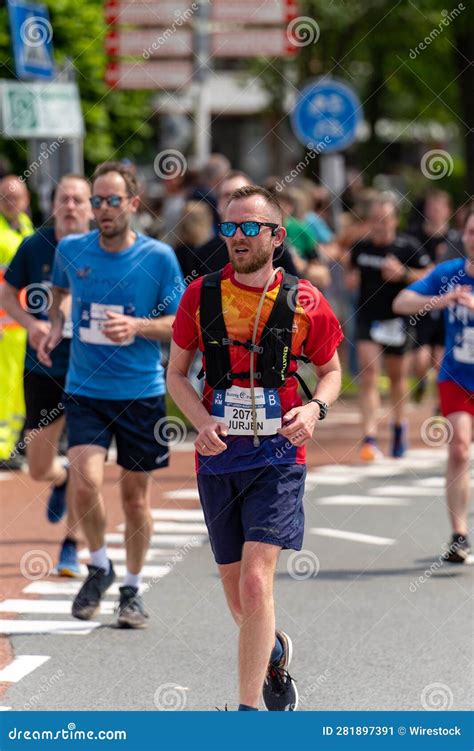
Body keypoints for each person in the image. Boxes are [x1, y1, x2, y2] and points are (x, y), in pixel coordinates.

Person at [167, 185, 343, 711]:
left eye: (249, 228)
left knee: (253, 580)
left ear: (277, 237)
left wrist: (314, 410)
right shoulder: (199, 295)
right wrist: (199, 421)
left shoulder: (306, 300)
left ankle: (246, 714)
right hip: (218, 455)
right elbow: (176, 374)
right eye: (229, 228)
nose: (237, 237)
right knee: (235, 591)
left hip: (278, 456)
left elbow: (331, 372)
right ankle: (272, 652)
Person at [37, 161, 183, 627]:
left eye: (111, 201)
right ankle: (99, 565)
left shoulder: (158, 258)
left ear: (133, 205)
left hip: (140, 392)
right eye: (97, 201)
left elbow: (181, 325)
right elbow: (60, 292)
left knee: (136, 499)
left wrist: (137, 325)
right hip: (86, 389)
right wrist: (55, 326)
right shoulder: (72, 247)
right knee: (84, 480)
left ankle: (132, 590)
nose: (102, 209)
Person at [1, 175, 93, 575]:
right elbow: (6, 292)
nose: (70, 206)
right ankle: (59, 481)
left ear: (91, 208)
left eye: (78, 200)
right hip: (44, 368)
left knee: (86, 460)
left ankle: (71, 547)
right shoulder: (35, 244)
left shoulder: (104, 248)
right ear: (52, 203)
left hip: (93, 370)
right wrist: (28, 322)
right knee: (38, 466)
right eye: (63, 198)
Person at [393, 211, 474, 563]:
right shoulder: (448, 273)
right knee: (458, 449)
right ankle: (459, 535)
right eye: (471, 232)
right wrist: (439, 301)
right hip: (457, 375)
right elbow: (401, 302)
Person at [347, 194, 431, 461]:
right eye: (374, 220)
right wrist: (350, 278)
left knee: (396, 378)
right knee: (369, 374)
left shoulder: (408, 247)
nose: (379, 225)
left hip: (397, 319)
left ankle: (398, 426)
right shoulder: (361, 247)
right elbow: (350, 269)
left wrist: (403, 274)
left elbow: (430, 275)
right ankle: (369, 439)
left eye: (384, 220)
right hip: (367, 317)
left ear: (394, 221)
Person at [408, 190, 460, 403]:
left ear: (448, 211)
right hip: (423, 303)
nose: (435, 211)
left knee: (441, 358)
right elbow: (405, 269)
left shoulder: (458, 239)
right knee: (420, 359)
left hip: (450, 304)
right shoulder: (413, 237)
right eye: (431, 206)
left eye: (440, 206)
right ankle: (421, 381)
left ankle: (441, 404)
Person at [0, 176, 34, 466]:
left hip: (22, 324)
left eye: (16, 197)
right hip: (3, 326)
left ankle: (15, 442)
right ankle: (3, 448)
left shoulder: (26, 227)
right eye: (5, 197)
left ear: (26, 200)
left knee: (20, 386)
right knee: (4, 385)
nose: (11, 202)